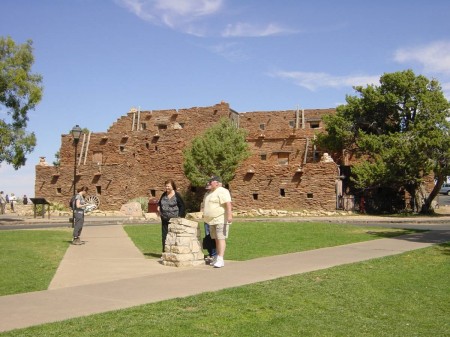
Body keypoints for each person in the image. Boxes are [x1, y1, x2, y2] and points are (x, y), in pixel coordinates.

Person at [202, 176, 232, 268]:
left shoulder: (222, 191)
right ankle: (217, 256)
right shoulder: (210, 193)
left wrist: (229, 215)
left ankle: (220, 259)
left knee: (221, 238)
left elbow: (228, 203)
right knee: (215, 239)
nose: (209, 183)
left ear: (217, 183)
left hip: (220, 219)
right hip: (211, 220)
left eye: (211, 182)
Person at [157, 180, 185, 253]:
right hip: (164, 218)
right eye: (166, 186)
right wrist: (158, 207)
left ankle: (174, 251)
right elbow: (159, 203)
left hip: (174, 220)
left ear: (172, 186)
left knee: (173, 236)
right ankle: (165, 252)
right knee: (164, 236)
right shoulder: (164, 194)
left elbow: (182, 206)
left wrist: (180, 216)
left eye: (168, 186)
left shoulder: (177, 195)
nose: (167, 188)